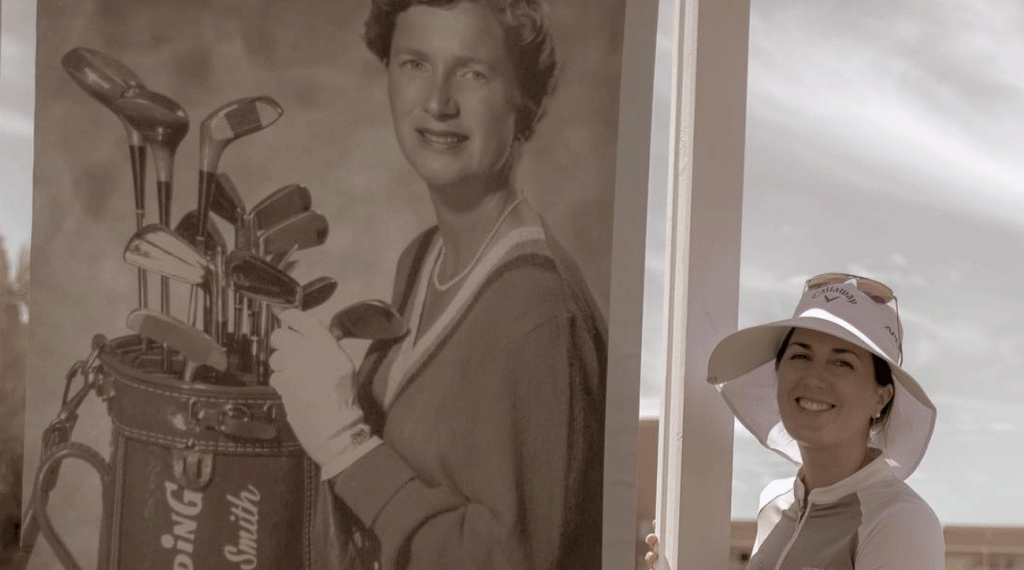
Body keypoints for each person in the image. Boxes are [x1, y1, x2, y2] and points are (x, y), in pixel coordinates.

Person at [267, 1, 607, 570]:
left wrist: (345, 444)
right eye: (414, 64)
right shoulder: (423, 257)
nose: (437, 103)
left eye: (473, 73)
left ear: (524, 101)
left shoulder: (538, 312)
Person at [646, 272, 944, 569]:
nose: (814, 377)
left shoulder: (900, 521)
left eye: (842, 362)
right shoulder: (774, 503)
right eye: (800, 356)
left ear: (881, 398)